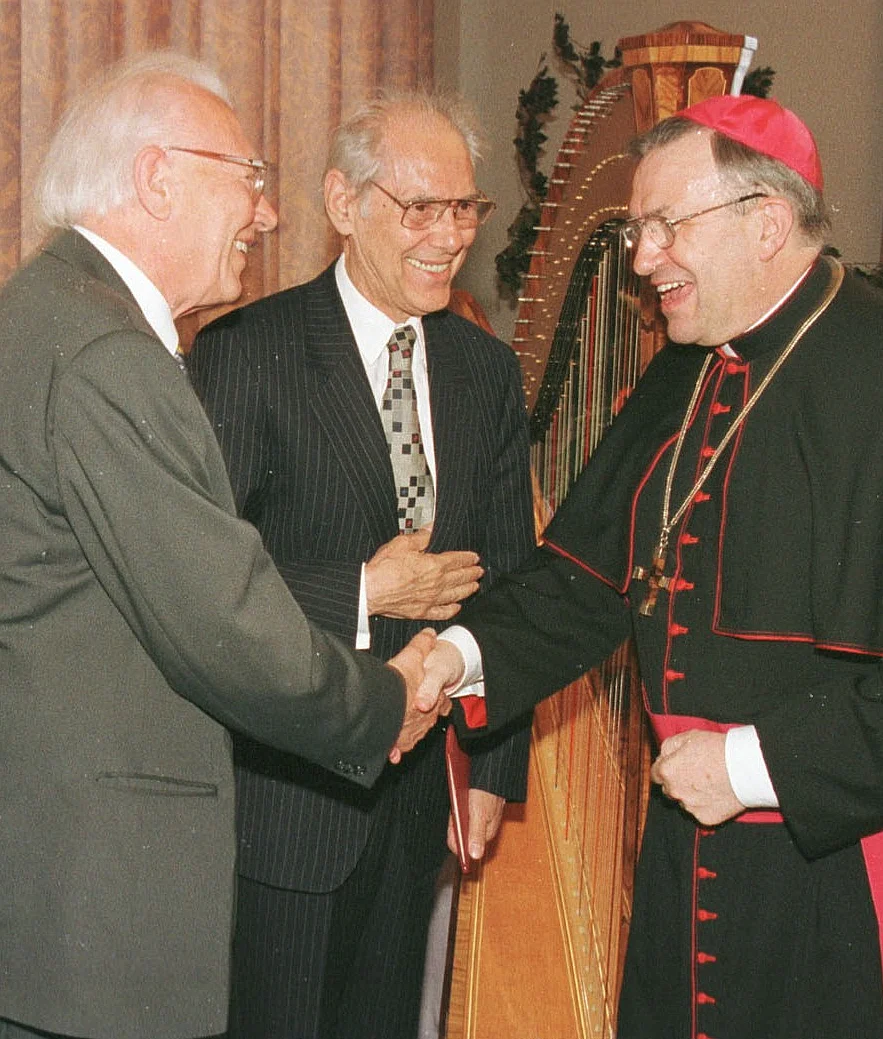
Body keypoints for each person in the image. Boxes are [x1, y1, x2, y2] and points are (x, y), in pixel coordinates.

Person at [0, 52, 445, 1039]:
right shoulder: (108, 352)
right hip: (100, 901)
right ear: (158, 176)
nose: (268, 213)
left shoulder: (42, 312)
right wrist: (382, 702)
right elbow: (220, 618)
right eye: (248, 177)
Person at [418, 95, 883, 1038]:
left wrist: (749, 767)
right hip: (685, 850)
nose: (640, 259)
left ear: (766, 222)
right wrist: (451, 658)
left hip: (833, 872)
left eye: (667, 225)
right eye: (636, 229)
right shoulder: (689, 363)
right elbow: (584, 584)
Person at [187, 90, 535, 1039]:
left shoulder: (482, 370)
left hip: (421, 801)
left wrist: (494, 767)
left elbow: (509, 575)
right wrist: (361, 590)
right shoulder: (243, 353)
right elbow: (199, 585)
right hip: (285, 803)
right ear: (343, 203)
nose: (449, 235)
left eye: (465, 208)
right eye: (419, 208)